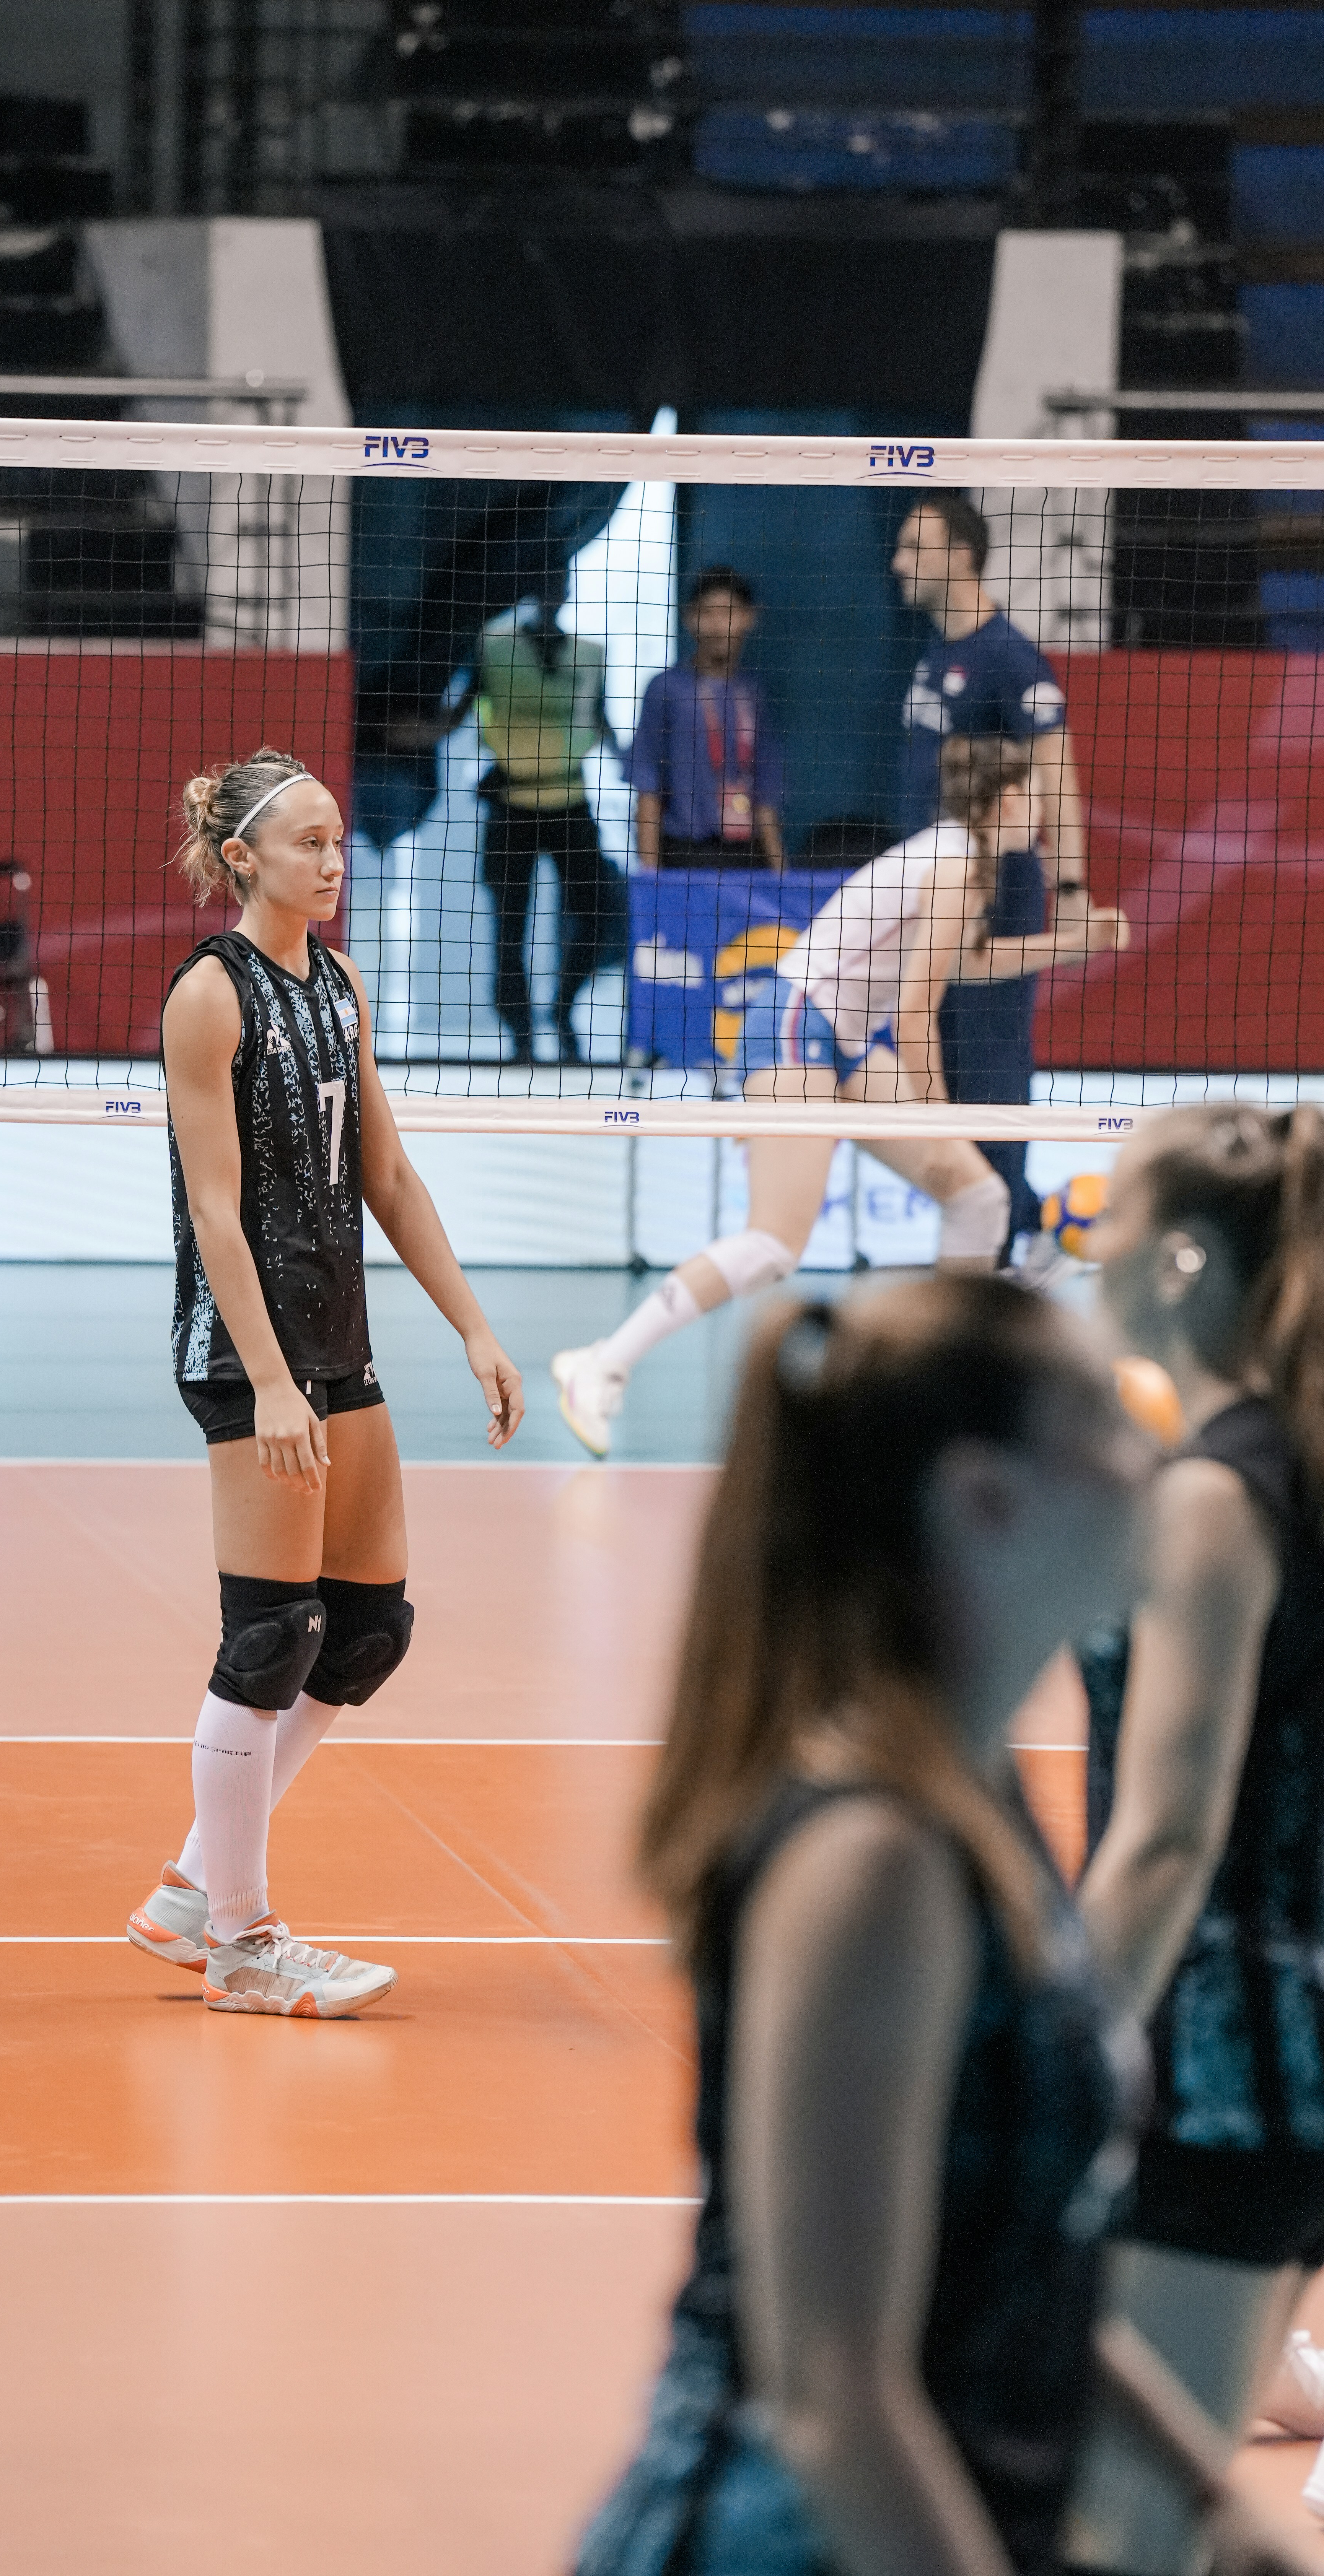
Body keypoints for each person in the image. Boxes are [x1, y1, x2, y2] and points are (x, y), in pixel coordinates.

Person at [573, 1276, 1303, 2576]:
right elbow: (833, 2395)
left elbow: (1014, 2265)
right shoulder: (874, 1862)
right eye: (1108, 1419)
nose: (1159, 1457)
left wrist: (1208, 2492)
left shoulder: (976, 1793)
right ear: (986, 1499)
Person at [125, 745, 523, 2017]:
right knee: (270, 1631)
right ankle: (238, 1942)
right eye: (308, 841)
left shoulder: (339, 981)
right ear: (243, 857)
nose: (332, 859)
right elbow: (214, 1209)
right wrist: (272, 1381)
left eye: (339, 839)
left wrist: (472, 1324)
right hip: (249, 1356)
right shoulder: (209, 994)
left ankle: (192, 1882)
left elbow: (387, 1176)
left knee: (363, 1631)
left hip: (338, 1343)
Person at [551, 738, 1127, 1457]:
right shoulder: (952, 864)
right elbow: (917, 1012)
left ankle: (949, 1402)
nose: (1043, 812)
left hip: (847, 1040)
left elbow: (966, 962)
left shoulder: (964, 864)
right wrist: (946, 1117)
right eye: (1034, 796)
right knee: (772, 1244)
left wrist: (1069, 945)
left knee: (978, 1197)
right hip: (796, 1024)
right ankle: (600, 1364)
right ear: (1004, 801)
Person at [1067, 1106, 1324, 2572]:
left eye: (1102, 1219)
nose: (1079, 1246)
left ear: (1173, 1261)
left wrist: (1056, 2053)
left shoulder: (1218, 1502)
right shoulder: (1270, 1463)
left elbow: (1164, 1839)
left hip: (1214, 2082)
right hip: (1269, 2058)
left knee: (1123, 2536)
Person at [893, 491, 1091, 1262]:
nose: (898, 562)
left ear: (960, 556)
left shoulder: (1009, 659)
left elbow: (1057, 775)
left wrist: (1070, 893)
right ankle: (1008, 1226)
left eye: (914, 546)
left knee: (988, 1066)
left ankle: (1010, 1245)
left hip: (993, 895)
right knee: (940, 1062)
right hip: (934, 893)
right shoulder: (932, 652)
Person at [471, 583, 626, 1066]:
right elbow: (463, 710)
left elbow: (601, 721)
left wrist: (636, 765)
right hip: (511, 804)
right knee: (508, 926)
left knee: (595, 913)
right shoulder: (491, 647)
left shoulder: (590, 655)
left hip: (571, 801)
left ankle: (563, 1010)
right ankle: (520, 1032)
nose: (551, 591)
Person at [629, 566, 785, 874]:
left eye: (728, 613)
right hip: (685, 854)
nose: (717, 625)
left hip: (745, 855)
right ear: (689, 619)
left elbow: (767, 792)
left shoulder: (753, 693)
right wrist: (651, 877)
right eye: (707, 613)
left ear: (749, 617)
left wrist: (781, 876)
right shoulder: (667, 689)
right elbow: (648, 789)